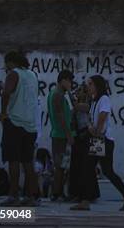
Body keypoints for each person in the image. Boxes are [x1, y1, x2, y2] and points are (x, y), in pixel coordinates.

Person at [70, 75, 124, 211]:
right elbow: (84, 109)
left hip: (102, 140)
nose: (88, 87)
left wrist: (95, 130)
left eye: (91, 84)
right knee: (89, 168)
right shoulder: (94, 100)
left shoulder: (104, 99)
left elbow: (102, 118)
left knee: (106, 171)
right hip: (98, 140)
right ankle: (86, 201)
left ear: (97, 86)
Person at [0, 51, 40, 207]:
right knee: (28, 162)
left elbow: (7, 93)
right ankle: (31, 197)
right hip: (30, 125)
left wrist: (3, 114)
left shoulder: (13, 74)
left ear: (11, 62)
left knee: (13, 161)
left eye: (6, 63)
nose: (5, 67)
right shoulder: (32, 75)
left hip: (14, 122)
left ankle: (13, 196)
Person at [68, 83, 100, 202]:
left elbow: (79, 107)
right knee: (77, 165)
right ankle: (78, 193)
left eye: (81, 90)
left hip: (90, 135)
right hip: (79, 136)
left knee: (88, 166)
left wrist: (70, 95)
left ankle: (89, 194)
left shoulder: (91, 103)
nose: (78, 92)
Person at [47, 69, 75, 201]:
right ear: (63, 80)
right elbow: (60, 117)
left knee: (64, 166)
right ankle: (56, 193)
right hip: (61, 136)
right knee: (60, 166)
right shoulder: (57, 94)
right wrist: (69, 135)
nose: (71, 84)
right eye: (69, 81)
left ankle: (59, 192)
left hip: (61, 135)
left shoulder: (62, 94)